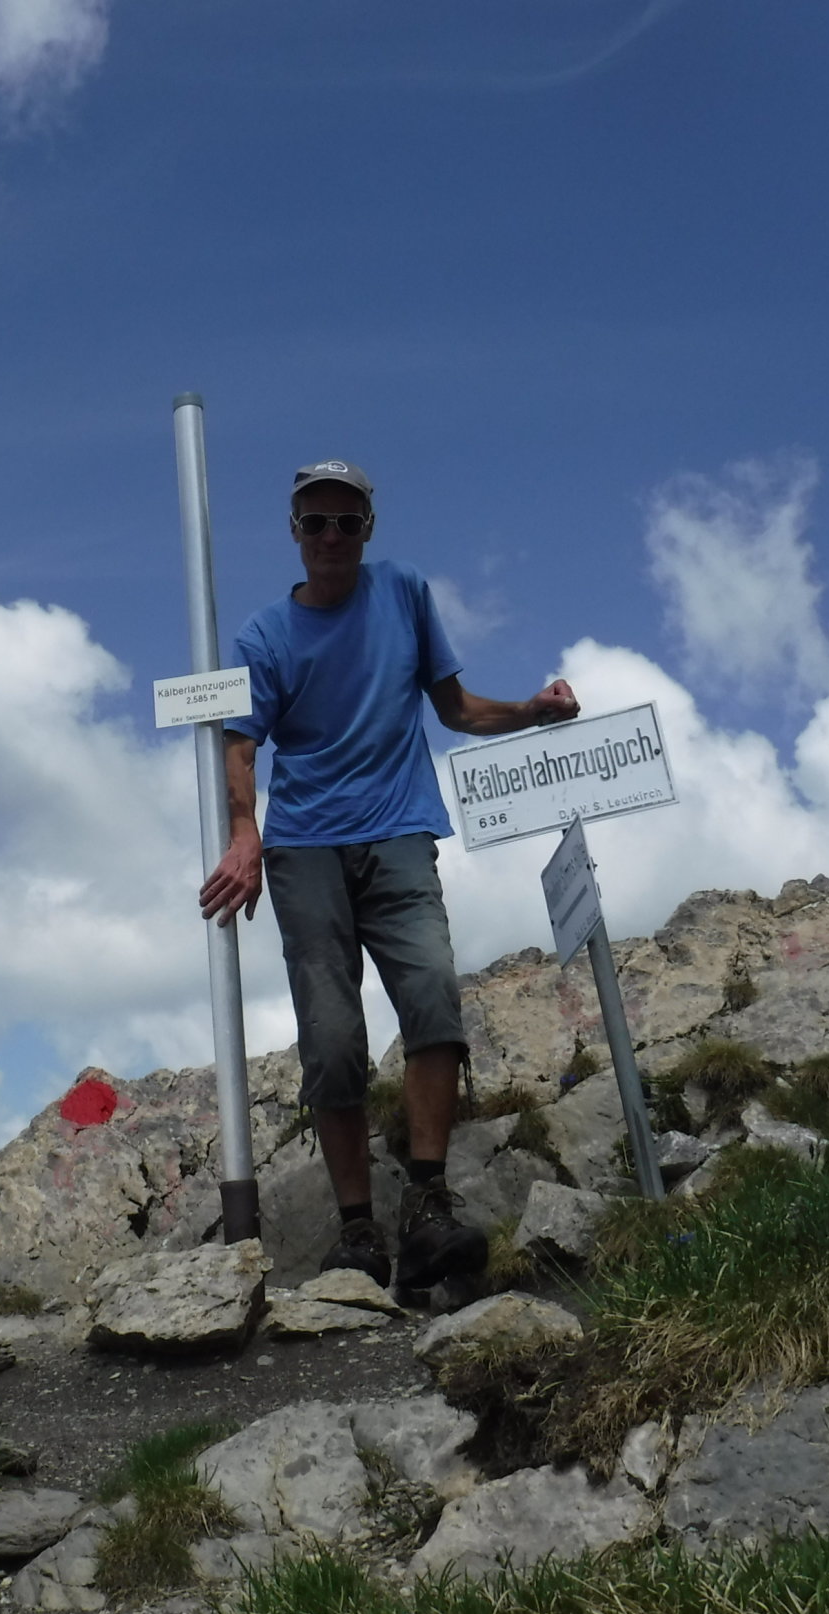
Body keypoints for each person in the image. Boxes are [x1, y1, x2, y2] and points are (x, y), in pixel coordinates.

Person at [199, 459, 579, 1305]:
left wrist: (532, 711)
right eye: (316, 523)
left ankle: (428, 1204)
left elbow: (455, 709)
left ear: (367, 530)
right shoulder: (265, 636)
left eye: (347, 522)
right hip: (305, 848)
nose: (331, 536)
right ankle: (357, 1227)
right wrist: (244, 835)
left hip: (400, 830)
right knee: (331, 1038)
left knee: (433, 996)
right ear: (295, 533)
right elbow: (240, 743)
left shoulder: (404, 592)